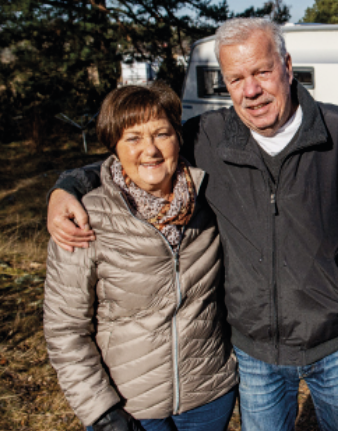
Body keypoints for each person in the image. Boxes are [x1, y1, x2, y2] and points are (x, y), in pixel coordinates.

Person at [47, 18, 338, 431]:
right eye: (236, 78)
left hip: (337, 341)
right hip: (256, 355)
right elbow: (142, 156)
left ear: (287, 67)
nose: (251, 90)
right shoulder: (209, 136)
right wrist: (65, 187)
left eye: (261, 72)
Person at [44, 84, 238, 431]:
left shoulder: (210, 200)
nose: (150, 149)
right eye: (132, 138)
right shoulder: (85, 219)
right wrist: (102, 413)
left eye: (161, 133)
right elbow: (65, 329)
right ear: (114, 147)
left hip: (210, 397)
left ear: (178, 138)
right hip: (131, 408)